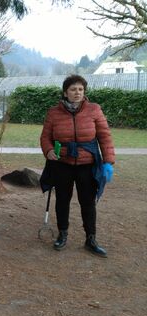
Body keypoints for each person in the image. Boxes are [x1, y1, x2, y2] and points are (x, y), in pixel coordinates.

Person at [40, 74, 115, 258]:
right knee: (63, 200)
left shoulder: (94, 110)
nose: (77, 92)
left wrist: (108, 161)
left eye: (80, 89)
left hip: (86, 165)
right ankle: (62, 234)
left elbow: (104, 136)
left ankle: (91, 239)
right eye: (73, 89)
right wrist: (49, 150)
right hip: (62, 164)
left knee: (88, 202)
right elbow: (45, 137)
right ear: (65, 92)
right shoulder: (54, 112)